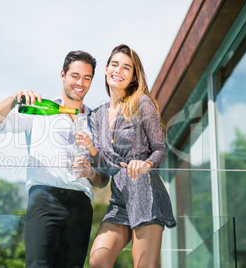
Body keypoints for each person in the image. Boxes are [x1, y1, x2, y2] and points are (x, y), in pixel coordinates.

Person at [0, 50, 109, 268]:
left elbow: (104, 179)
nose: (80, 83)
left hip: (81, 204)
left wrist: (90, 172)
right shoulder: (39, 109)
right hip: (44, 199)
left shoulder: (96, 121)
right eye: (75, 76)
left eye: (87, 78)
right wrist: (14, 99)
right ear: (63, 75)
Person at [75, 44, 176, 267]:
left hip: (146, 194)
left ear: (132, 77)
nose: (118, 71)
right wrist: (92, 150)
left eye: (126, 68)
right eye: (114, 64)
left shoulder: (142, 103)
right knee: (98, 261)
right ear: (106, 69)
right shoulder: (97, 115)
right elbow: (106, 169)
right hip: (119, 199)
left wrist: (147, 163)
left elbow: (160, 149)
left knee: (145, 264)